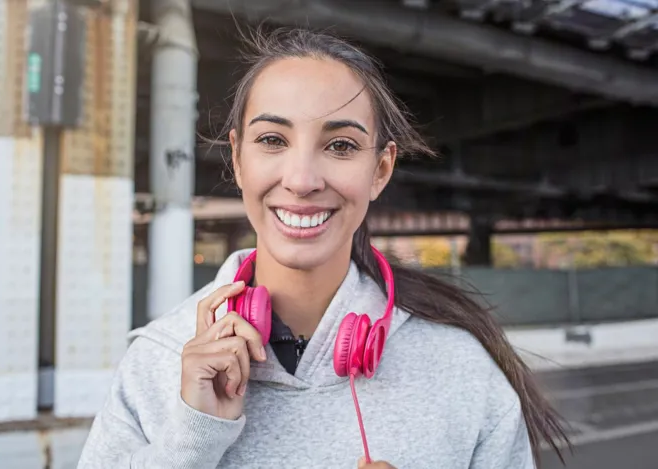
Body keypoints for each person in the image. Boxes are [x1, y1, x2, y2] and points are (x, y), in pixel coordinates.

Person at [77, 27, 569, 468]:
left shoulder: (460, 366)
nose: (302, 180)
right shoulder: (157, 360)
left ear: (380, 170)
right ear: (239, 160)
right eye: (272, 139)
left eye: (341, 146)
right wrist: (192, 440)